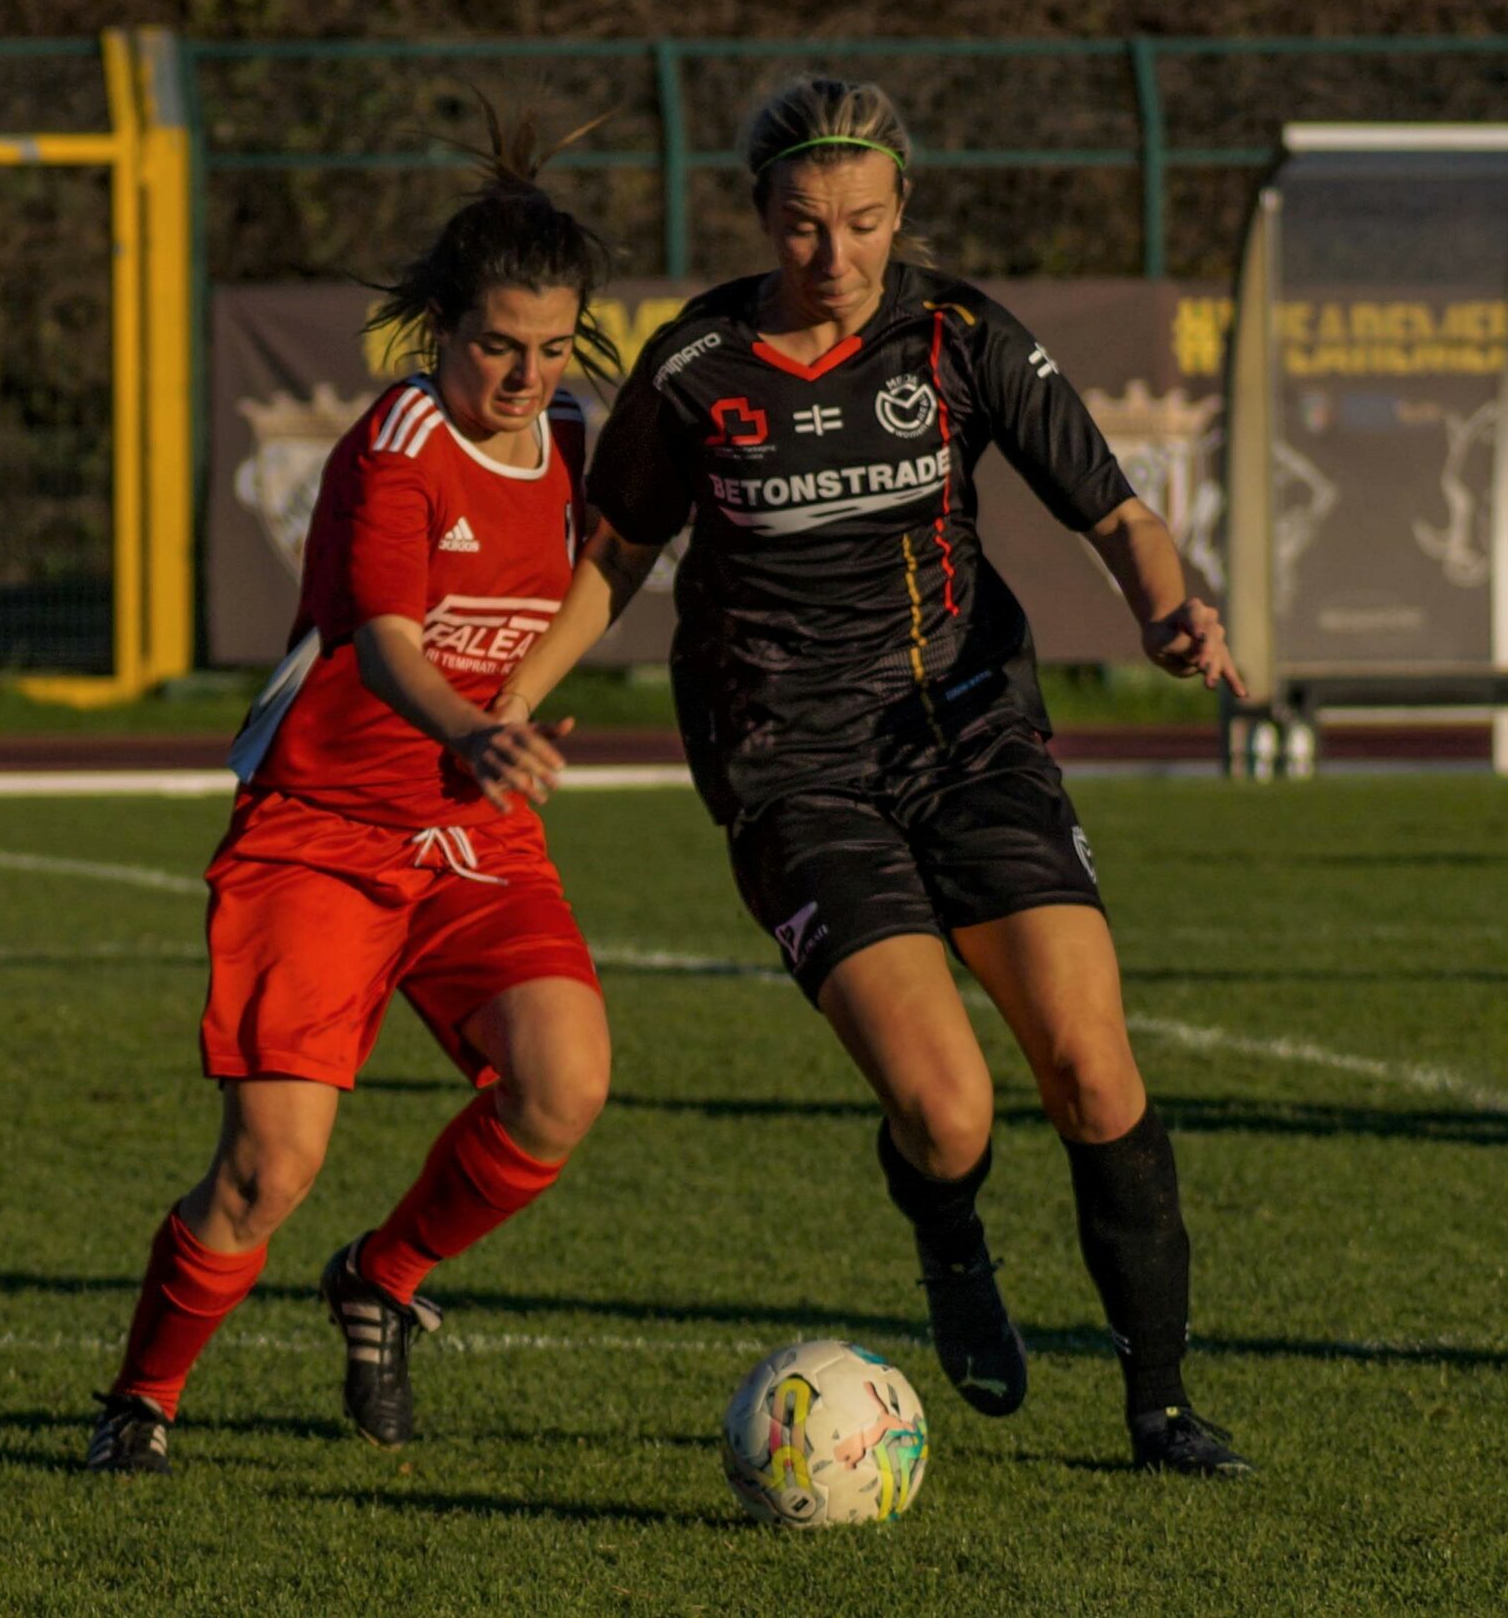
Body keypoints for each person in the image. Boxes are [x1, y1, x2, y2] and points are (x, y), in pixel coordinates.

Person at [500, 77, 1255, 1476]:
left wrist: (1170, 611)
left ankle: (1160, 1409)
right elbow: (612, 560)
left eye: (860, 224)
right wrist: (513, 706)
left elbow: (1116, 509)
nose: (832, 257)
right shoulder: (694, 367)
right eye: (800, 227)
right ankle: (949, 1235)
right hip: (795, 764)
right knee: (949, 1109)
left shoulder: (957, 335)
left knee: (1093, 1071)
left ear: (901, 212)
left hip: (968, 735)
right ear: (759, 220)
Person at [84, 111, 615, 1474]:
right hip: (321, 829)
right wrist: (472, 727)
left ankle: (382, 1280)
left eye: (552, 348)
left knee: (561, 1084)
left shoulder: (570, 437)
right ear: (443, 323)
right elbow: (386, 645)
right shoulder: (397, 443)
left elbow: (603, 576)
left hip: (469, 830)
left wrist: (504, 728)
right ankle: (142, 1400)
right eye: (499, 341)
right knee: (269, 1167)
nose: (523, 372)